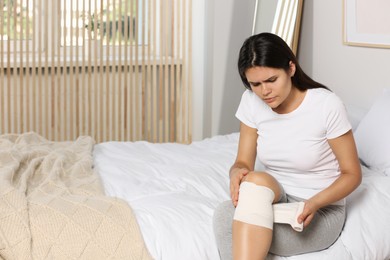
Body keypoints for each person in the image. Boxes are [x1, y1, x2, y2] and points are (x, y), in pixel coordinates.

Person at [213, 32, 362, 260]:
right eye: (255, 84)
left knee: (238, 229)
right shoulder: (251, 102)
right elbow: (244, 162)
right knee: (226, 211)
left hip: (319, 209)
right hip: (277, 197)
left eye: (272, 80)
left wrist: (313, 203)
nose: (265, 91)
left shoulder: (326, 105)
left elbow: (352, 174)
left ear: (291, 69)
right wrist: (236, 172)